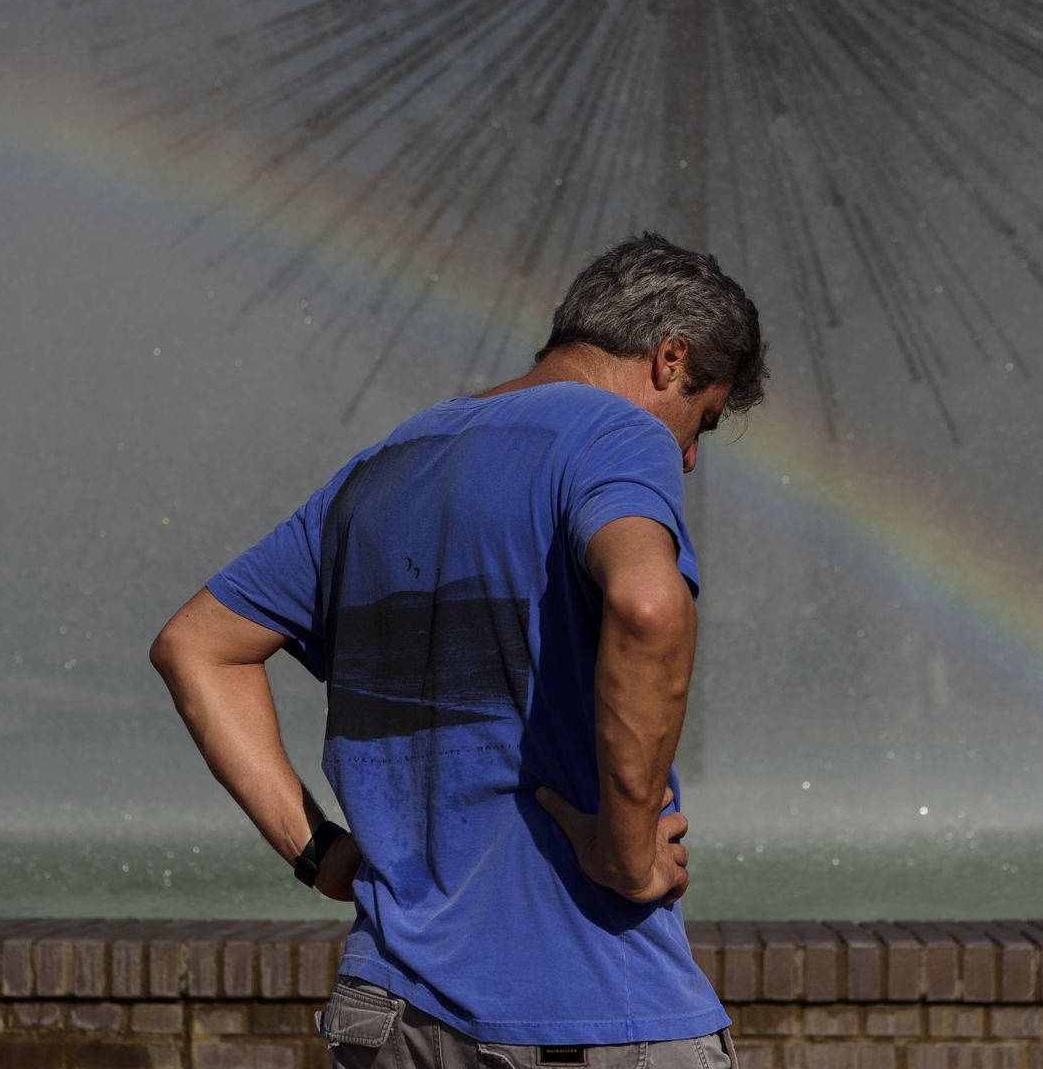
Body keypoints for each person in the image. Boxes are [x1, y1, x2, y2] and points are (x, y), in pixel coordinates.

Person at [150, 231, 769, 1067]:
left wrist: (321, 855)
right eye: (702, 420)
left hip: (393, 1019)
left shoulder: (379, 468)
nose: (689, 458)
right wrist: (625, 853)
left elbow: (196, 646)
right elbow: (650, 604)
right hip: (586, 1013)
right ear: (668, 358)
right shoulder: (617, 435)